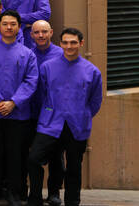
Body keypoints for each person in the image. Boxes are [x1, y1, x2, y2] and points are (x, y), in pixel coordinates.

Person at [27, 28, 102, 206]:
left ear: (81, 44)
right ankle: (35, 199)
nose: (69, 46)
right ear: (60, 44)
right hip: (50, 123)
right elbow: (42, 94)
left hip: (77, 125)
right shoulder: (47, 67)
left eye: (73, 42)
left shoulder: (92, 71)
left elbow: (95, 101)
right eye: (66, 42)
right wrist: (47, 113)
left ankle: (72, 201)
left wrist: (82, 115)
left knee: (74, 167)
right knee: (34, 159)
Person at [0, 10, 39, 206]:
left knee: (16, 153)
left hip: (18, 114)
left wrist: (13, 102)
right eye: (5, 24)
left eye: (13, 24)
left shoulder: (27, 54)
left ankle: (14, 191)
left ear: (19, 27)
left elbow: (31, 81)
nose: (9, 27)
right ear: (0, 26)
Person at [28, 20, 66, 205]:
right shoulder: (28, 54)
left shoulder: (62, 54)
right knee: (32, 157)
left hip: (54, 115)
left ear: (51, 32)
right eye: (37, 32)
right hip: (30, 113)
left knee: (56, 156)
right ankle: (34, 194)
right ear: (31, 35)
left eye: (44, 31)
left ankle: (54, 193)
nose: (41, 35)